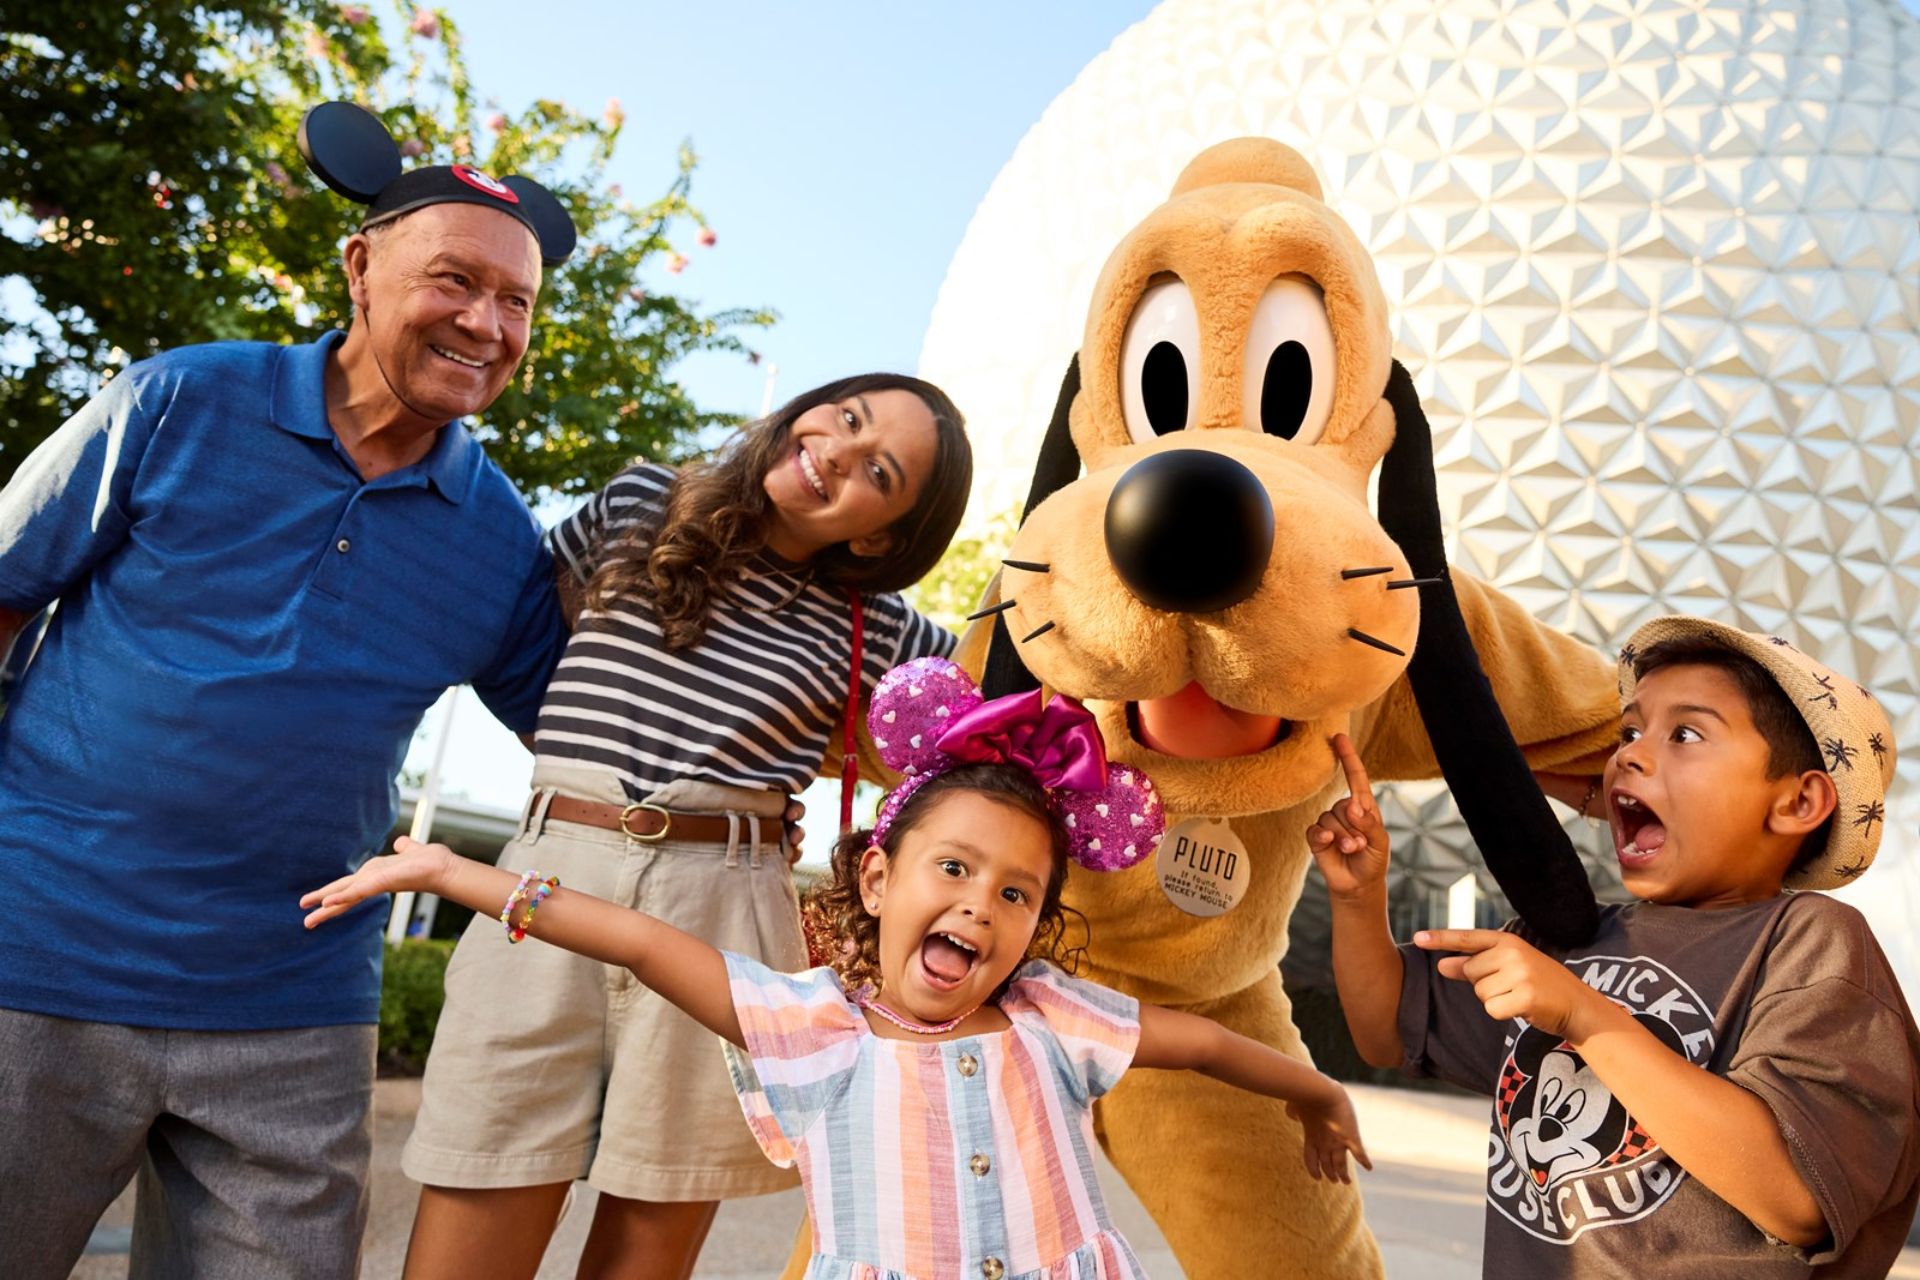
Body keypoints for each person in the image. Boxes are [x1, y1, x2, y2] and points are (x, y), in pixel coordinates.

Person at [0, 103, 577, 1279]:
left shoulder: (501, 534)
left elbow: (577, 732)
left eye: (516, 301)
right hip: (38, 955)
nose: (486, 321)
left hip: (295, 1007)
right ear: (360, 266)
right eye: (455, 280)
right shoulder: (178, 401)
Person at [302, 659, 1372, 1280]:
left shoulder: (1054, 1017)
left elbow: (1208, 1042)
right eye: (952, 868)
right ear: (875, 879)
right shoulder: (810, 1022)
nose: (978, 904)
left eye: (1016, 893)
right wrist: (457, 871)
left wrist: (1318, 1091)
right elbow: (635, 938)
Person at [395, 377, 972, 1279]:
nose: (838, 452)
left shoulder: (887, 630)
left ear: (880, 535)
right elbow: (531, 649)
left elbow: (988, 729)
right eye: (848, 418)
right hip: (552, 870)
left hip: (724, 908)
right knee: (475, 1197)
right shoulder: (638, 501)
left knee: (645, 1249)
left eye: (879, 472)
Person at [1311, 614, 1920, 1277]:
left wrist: (1587, 1017)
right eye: (1630, 731)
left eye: (1686, 734)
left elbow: (1797, 1197)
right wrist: (1356, 898)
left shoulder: (1809, 945)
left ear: (1798, 803)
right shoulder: (1570, 939)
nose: (1628, 753)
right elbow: (1388, 1031)